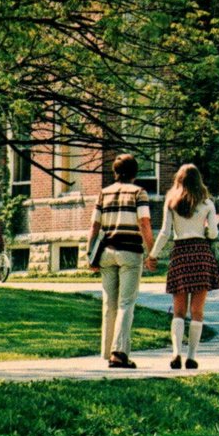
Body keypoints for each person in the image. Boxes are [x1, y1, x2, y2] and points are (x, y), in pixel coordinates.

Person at [146, 164, 219, 370]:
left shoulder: (171, 201)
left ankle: (175, 353)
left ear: (178, 180)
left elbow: (164, 232)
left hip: (181, 253)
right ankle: (191, 356)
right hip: (200, 253)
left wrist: (153, 254)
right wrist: (209, 226)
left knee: (179, 310)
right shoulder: (207, 203)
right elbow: (214, 235)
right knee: (197, 311)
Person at [87, 154, 155, 369]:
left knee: (109, 303)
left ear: (115, 172)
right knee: (126, 303)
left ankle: (107, 352)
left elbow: (94, 226)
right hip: (130, 252)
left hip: (106, 251)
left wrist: (90, 255)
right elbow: (144, 223)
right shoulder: (139, 193)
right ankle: (120, 353)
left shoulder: (103, 193)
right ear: (135, 172)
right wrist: (151, 252)